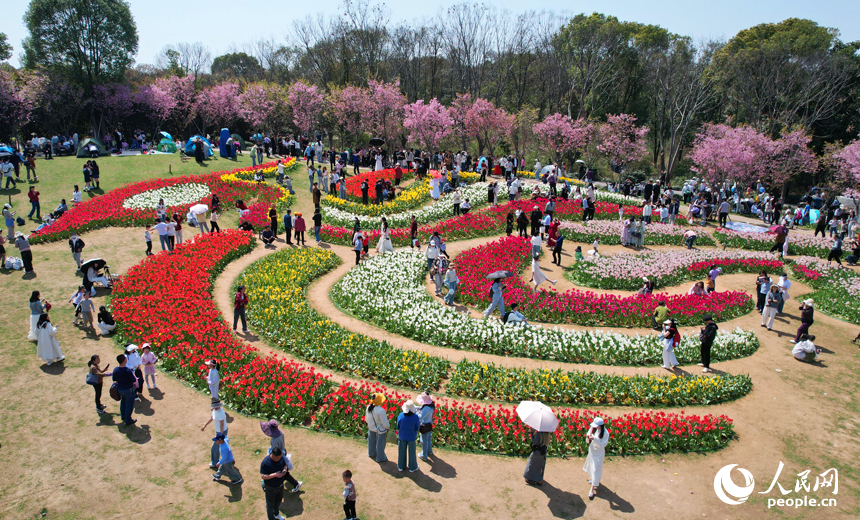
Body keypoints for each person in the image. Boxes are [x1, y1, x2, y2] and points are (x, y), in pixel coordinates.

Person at [261, 448, 300, 520]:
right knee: (270, 504)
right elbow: (263, 476)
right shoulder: (265, 462)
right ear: (272, 455)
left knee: (278, 500)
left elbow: (284, 465)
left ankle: (276, 514)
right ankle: (271, 518)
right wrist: (275, 475)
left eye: (280, 457)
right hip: (271, 487)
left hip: (280, 485)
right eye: (277, 458)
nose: (279, 459)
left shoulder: (281, 458)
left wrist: (285, 469)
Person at [583, 417, 610, 499]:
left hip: (599, 453)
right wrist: (588, 436)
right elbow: (589, 433)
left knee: (596, 469)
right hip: (592, 450)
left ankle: (592, 488)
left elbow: (603, 445)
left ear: (601, 426)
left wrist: (594, 438)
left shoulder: (605, 433)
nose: (594, 427)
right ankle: (593, 480)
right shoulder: (594, 428)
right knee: (591, 466)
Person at [203, 398, 228, 468]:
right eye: (215, 406)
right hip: (218, 431)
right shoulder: (214, 410)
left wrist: (221, 435)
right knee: (219, 447)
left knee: (214, 448)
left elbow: (222, 424)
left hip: (221, 431)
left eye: (217, 406)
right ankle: (220, 461)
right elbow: (211, 418)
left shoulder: (220, 413)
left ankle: (215, 462)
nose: (216, 407)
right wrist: (205, 425)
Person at [112, 354, 137, 426]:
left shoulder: (115, 369)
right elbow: (133, 380)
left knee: (123, 402)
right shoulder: (127, 370)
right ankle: (128, 420)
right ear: (124, 360)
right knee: (129, 404)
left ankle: (123, 416)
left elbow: (114, 379)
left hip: (120, 389)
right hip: (128, 389)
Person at [396, 399, 420, 472]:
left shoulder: (401, 415)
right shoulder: (415, 417)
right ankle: (412, 467)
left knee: (401, 451)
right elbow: (417, 428)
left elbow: (398, 426)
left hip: (402, 436)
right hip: (412, 437)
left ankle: (400, 466)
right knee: (412, 452)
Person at [365, 392, 389, 463]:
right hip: (379, 430)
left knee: (371, 441)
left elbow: (367, 419)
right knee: (380, 444)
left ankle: (371, 453)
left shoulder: (368, 407)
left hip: (371, 427)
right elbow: (385, 423)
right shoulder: (381, 410)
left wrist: (369, 424)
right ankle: (380, 458)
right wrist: (387, 427)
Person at [416, 392, 435, 461]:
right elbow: (422, 409)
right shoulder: (431, 405)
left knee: (423, 441)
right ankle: (429, 451)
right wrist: (417, 408)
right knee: (428, 439)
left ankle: (424, 455)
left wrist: (415, 412)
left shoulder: (426, 408)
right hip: (429, 424)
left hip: (425, 426)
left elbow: (420, 417)